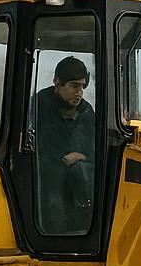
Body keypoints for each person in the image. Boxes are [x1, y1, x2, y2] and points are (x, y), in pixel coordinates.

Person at [34, 56, 96, 233]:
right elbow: (34, 148)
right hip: (46, 185)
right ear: (57, 82)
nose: (79, 93)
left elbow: (96, 150)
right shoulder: (38, 108)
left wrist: (81, 157)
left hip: (79, 186)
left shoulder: (86, 113)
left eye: (82, 87)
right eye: (74, 86)